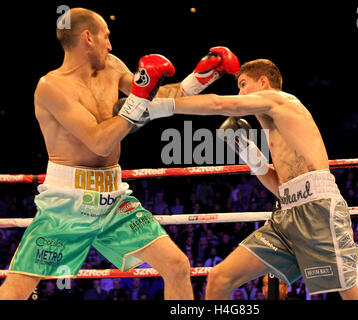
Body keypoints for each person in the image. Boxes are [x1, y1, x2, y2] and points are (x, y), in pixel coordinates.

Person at [0, 7, 239, 300]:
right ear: (88, 37)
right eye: (106, 36)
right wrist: (138, 99)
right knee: (15, 292)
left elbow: (154, 99)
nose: (110, 45)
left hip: (114, 198)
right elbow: (98, 141)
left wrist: (201, 78)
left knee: (177, 266)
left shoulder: (112, 66)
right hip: (66, 204)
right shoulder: (52, 87)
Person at [169, 58, 358, 299]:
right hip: (285, 216)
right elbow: (280, 187)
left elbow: (219, 103)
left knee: (354, 295)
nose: (239, 93)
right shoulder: (273, 125)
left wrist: (161, 105)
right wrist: (247, 151)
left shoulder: (281, 99)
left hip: (319, 211)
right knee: (219, 278)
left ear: (263, 82)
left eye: (243, 84)